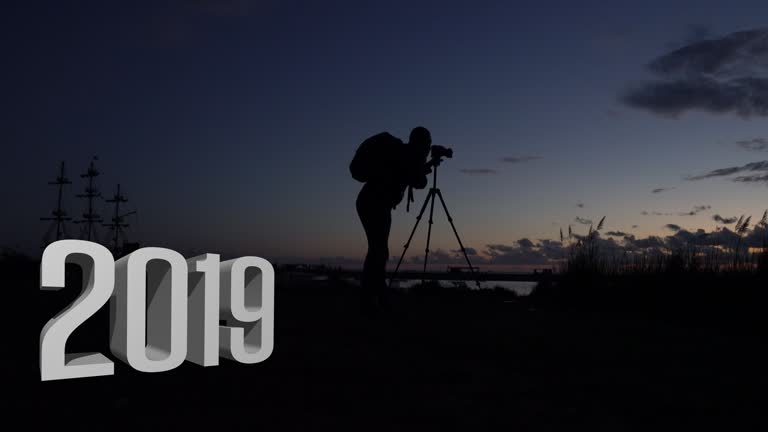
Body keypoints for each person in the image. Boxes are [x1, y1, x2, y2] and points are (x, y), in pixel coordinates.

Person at [355, 126, 432, 311]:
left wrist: (425, 165)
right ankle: (375, 299)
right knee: (379, 251)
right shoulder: (408, 156)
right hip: (375, 204)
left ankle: (371, 297)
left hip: (370, 202)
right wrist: (425, 163)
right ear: (420, 143)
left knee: (376, 251)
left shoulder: (402, 153)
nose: (428, 149)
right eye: (427, 144)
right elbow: (419, 182)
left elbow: (409, 176)